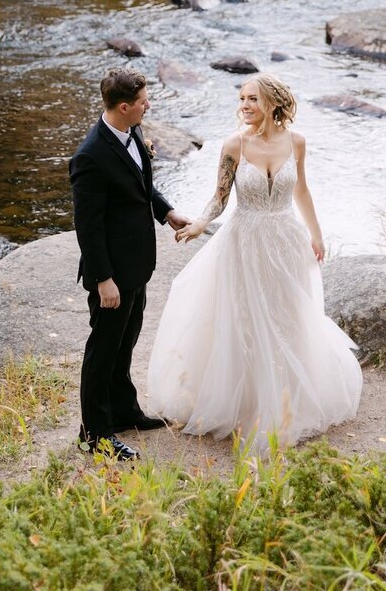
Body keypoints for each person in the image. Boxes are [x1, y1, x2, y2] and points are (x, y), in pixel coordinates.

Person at [147, 74, 362, 453]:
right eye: (242, 98)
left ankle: (285, 401)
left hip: (284, 240)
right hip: (243, 242)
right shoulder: (234, 144)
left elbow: (301, 190)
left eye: (252, 99)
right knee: (244, 319)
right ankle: (245, 404)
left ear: (273, 104)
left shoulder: (297, 142)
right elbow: (219, 197)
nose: (245, 105)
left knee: (286, 316)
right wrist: (199, 223)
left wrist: (316, 233)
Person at [71, 67, 191, 461]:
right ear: (124, 106)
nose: (148, 105)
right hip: (112, 273)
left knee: (126, 343)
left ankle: (124, 411)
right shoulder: (89, 156)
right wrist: (103, 279)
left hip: (137, 264)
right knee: (102, 350)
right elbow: (87, 227)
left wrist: (166, 211)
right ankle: (95, 435)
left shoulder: (130, 131)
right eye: (142, 102)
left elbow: (140, 183)